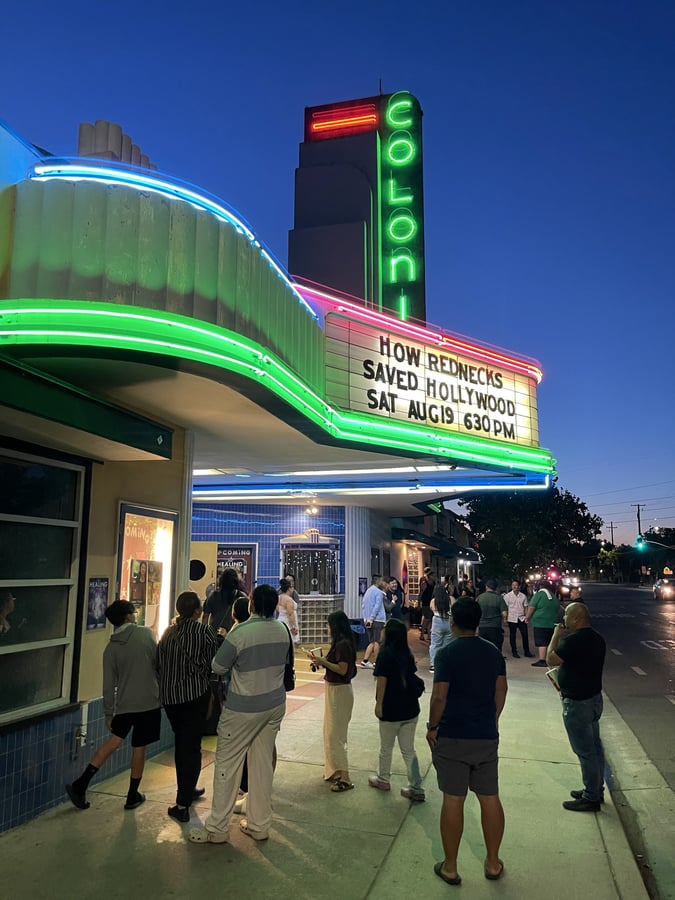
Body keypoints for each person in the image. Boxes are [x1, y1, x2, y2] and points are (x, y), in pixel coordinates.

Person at [188, 584, 291, 844]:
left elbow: (218, 666)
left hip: (243, 708)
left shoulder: (241, 632)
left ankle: (217, 828)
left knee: (227, 765)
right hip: (274, 706)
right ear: (275, 606)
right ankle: (259, 825)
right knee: (261, 765)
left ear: (253, 604)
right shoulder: (282, 630)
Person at [427, 598, 508, 886]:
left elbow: (439, 696)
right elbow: (501, 690)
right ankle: (493, 862)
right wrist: (492, 717)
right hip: (485, 735)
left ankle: (450, 867)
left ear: (452, 622)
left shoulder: (447, 654)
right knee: (489, 797)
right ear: (476, 623)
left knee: (453, 799)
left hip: (452, 735)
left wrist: (432, 726)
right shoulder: (493, 653)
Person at [65, 600, 160, 811]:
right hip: (148, 701)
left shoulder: (110, 649)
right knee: (139, 747)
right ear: (128, 616)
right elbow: (158, 662)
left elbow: (108, 685)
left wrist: (109, 713)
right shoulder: (145, 634)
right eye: (133, 613)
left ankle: (81, 783)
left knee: (114, 741)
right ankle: (132, 794)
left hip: (124, 704)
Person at [157, 591, 218, 823]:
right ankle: (182, 803)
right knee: (191, 746)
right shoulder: (203, 632)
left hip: (170, 698)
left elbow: (159, 663)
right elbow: (216, 660)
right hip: (195, 696)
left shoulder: (168, 633)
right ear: (197, 611)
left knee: (181, 742)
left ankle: (187, 788)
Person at [546, 601, 607, 812]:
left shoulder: (574, 641)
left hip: (577, 703)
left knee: (585, 751)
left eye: (566, 617)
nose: (563, 620)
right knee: (595, 747)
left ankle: (591, 797)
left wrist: (556, 633)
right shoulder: (597, 639)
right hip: (594, 699)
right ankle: (595, 788)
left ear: (576, 619)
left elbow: (550, 659)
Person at [368, 618, 425, 801]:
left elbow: (382, 683)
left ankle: (383, 779)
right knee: (409, 750)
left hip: (391, 709)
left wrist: (379, 705)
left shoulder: (385, 655)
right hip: (410, 708)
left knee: (386, 748)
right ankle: (416, 787)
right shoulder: (406, 654)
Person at [307, 610, 358, 792]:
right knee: (330, 732)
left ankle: (345, 776)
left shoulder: (343, 645)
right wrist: (320, 662)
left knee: (335, 735)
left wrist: (323, 661)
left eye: (328, 625)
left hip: (340, 692)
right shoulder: (342, 643)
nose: (326, 628)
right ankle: (335, 770)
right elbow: (337, 667)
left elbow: (342, 669)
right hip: (335, 690)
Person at [203, 567, 247, 641]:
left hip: (214, 636)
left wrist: (206, 634)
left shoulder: (213, 596)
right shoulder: (242, 597)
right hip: (235, 637)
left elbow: (205, 617)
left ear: (221, 581)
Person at [525, 579, 561, 667]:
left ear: (540, 586)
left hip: (540, 622)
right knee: (549, 641)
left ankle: (542, 660)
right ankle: (550, 659)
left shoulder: (539, 595)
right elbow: (558, 608)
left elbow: (531, 607)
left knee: (541, 642)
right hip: (552, 622)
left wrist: (527, 617)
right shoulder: (553, 596)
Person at [361, 576, 387, 668]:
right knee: (377, 641)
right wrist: (372, 618)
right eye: (382, 580)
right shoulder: (378, 592)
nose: (383, 582)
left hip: (368, 620)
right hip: (377, 620)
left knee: (371, 641)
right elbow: (377, 606)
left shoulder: (368, 591)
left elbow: (363, 606)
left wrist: (366, 619)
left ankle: (365, 661)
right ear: (378, 581)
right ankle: (376, 662)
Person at [503, 580, 533, 658]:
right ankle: (514, 651)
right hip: (512, 618)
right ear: (511, 586)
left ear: (519, 586)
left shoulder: (523, 596)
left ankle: (527, 651)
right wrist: (505, 619)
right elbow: (505, 608)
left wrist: (527, 617)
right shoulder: (507, 596)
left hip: (521, 618)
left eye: (516, 585)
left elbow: (525, 607)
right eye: (513, 585)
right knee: (512, 635)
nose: (514, 586)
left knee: (525, 635)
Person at [476, 578, 507, 653]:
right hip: (495, 626)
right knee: (496, 648)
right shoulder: (499, 598)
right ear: (495, 588)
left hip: (482, 627)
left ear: (486, 586)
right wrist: (505, 621)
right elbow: (504, 613)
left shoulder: (479, 598)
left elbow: (475, 612)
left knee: (483, 648)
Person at [429, 582, 453, 672]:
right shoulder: (451, 599)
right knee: (447, 644)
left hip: (437, 622)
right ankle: (447, 663)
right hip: (448, 621)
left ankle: (433, 665)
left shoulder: (433, 601)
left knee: (435, 644)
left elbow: (432, 609)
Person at [276, 577, 299, 642]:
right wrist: (294, 626)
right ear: (289, 589)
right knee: (289, 641)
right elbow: (290, 613)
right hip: (287, 622)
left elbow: (277, 609)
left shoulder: (279, 597)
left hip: (280, 619)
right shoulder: (288, 600)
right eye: (292, 588)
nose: (293, 589)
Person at [418, 566, 435, 642]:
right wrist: (419, 603)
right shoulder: (424, 580)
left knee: (430, 619)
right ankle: (422, 634)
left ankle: (429, 635)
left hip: (431, 601)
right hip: (426, 601)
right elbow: (421, 592)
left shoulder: (432, 582)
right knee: (427, 619)